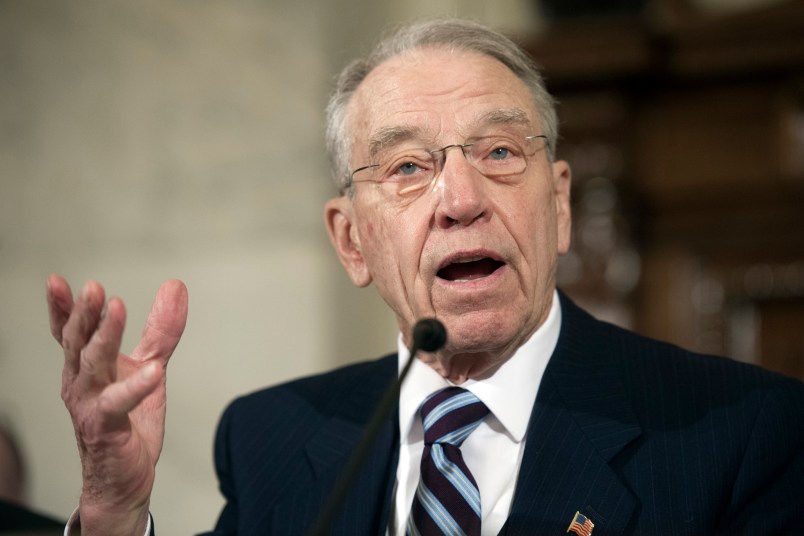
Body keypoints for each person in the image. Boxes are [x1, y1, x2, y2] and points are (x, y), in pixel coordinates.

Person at [47, 18, 803, 536]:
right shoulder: (273, 439)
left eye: (501, 153)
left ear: (561, 205)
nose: (463, 200)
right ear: (352, 242)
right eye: (408, 167)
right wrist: (115, 510)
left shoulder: (741, 434)